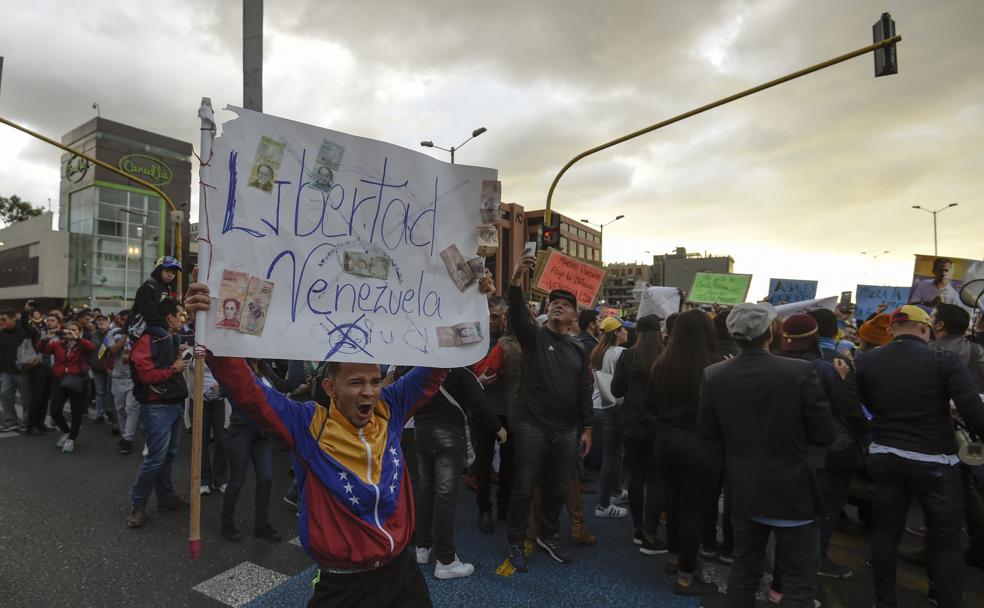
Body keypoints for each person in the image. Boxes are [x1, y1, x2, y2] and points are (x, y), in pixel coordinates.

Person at [184, 271, 494, 608]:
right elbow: (249, 393)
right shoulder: (308, 426)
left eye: (375, 381)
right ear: (330, 389)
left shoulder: (390, 408)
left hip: (402, 575)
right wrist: (211, 326)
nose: (369, 391)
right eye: (356, 382)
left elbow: (438, 365)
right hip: (344, 587)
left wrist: (469, 302)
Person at [699, 303, 837, 608]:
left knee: (744, 569)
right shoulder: (800, 371)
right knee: (799, 581)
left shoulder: (714, 374)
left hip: (745, 487)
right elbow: (825, 434)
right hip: (794, 490)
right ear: (769, 332)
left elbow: (708, 432)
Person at [854, 305, 984, 608]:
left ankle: (884, 601)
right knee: (947, 540)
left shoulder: (866, 360)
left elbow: (861, 404)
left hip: (886, 454)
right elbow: (974, 414)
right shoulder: (944, 359)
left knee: (886, 531)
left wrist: (875, 432)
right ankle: (945, 599)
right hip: (935, 460)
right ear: (926, 329)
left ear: (891, 331)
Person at [504, 255, 593, 573]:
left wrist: (587, 428)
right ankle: (516, 539)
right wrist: (515, 280)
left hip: (567, 431)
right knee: (523, 486)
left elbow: (585, 389)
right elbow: (516, 312)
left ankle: (548, 535)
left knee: (557, 488)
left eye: (565, 305)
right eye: (554, 302)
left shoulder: (578, 350)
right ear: (547, 310)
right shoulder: (534, 338)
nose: (558, 306)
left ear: (574, 317)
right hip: (534, 428)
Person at [776, 314, 862, 586]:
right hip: (818, 454)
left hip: (776, 450)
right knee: (817, 513)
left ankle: (779, 581)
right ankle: (808, 568)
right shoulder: (833, 365)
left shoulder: (771, 361)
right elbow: (843, 409)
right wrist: (843, 380)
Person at [646, 310, 723, 596]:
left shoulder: (662, 363)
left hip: (666, 440)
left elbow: (651, 405)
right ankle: (686, 576)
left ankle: (675, 557)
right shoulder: (717, 366)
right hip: (701, 444)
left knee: (675, 502)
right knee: (695, 510)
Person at [413, 366, 504, 578]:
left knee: (425, 488)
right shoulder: (458, 369)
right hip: (448, 434)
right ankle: (445, 560)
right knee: (445, 496)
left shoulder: (414, 366)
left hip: (421, 430)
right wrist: (499, 428)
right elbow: (479, 402)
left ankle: (422, 548)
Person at [126, 298, 191, 528]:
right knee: (155, 459)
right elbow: (145, 375)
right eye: (180, 314)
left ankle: (165, 498)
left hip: (173, 403)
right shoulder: (148, 338)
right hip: (157, 407)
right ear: (169, 317)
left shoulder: (170, 337)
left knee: (169, 454)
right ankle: (138, 505)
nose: (183, 318)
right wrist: (173, 368)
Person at [611, 314, 665, 553]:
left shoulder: (629, 355)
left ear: (638, 332)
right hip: (659, 426)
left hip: (632, 424)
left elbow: (616, 389)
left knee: (636, 477)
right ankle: (650, 535)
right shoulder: (667, 355)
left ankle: (637, 529)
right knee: (656, 480)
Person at [470, 296, 514, 533]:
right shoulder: (475, 340)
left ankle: (504, 505)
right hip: (483, 410)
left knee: (509, 464)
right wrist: (478, 381)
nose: (491, 321)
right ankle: (484, 509)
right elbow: (463, 375)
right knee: (483, 463)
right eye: (488, 317)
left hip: (509, 411)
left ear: (505, 317)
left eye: (496, 317)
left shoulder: (514, 341)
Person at [590, 316, 629, 519]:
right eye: (624, 329)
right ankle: (603, 505)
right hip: (612, 408)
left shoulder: (598, 351)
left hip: (597, 405)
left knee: (614, 454)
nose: (627, 332)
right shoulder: (621, 353)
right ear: (616, 332)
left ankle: (616, 491)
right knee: (612, 456)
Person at [36, 320, 96, 452]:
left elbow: (91, 347)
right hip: (60, 380)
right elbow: (41, 349)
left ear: (80, 332)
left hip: (78, 381)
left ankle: (71, 439)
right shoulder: (59, 344)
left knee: (76, 412)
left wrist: (77, 338)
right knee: (55, 410)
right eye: (69, 329)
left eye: (74, 330)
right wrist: (45, 339)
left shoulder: (83, 345)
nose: (71, 332)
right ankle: (67, 432)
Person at [105, 311, 139, 454]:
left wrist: (131, 355)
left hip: (134, 377)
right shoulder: (111, 334)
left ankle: (128, 439)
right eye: (123, 320)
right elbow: (112, 350)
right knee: (119, 408)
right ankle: (125, 435)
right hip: (118, 376)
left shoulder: (139, 334)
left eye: (129, 320)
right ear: (119, 320)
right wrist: (126, 335)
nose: (126, 322)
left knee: (131, 408)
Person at [127, 256, 181, 343]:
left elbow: (167, 311)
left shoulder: (167, 288)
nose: (171, 275)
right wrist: (166, 326)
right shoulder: (149, 286)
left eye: (173, 273)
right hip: (141, 324)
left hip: (157, 324)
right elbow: (148, 313)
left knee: (176, 338)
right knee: (166, 337)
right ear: (159, 270)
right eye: (167, 271)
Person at [0, 307, 31, 432]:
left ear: (13, 319)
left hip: (22, 371)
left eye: (3, 319)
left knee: (26, 398)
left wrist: (26, 313)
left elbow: (29, 330)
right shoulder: (1, 333)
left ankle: (27, 422)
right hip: (7, 370)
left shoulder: (22, 331)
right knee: (4, 394)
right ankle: (11, 421)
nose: (1, 321)